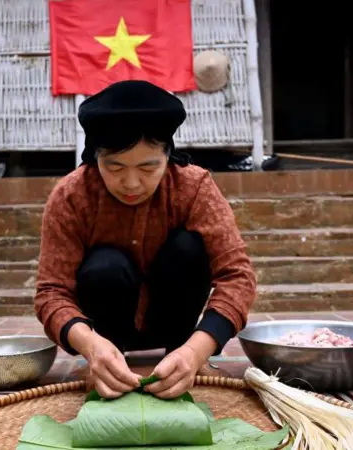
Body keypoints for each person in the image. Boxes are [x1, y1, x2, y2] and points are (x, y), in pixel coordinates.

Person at [33, 80, 256, 400]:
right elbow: (51, 292)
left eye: (148, 166)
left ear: (168, 156)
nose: (132, 182)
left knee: (188, 248)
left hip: (176, 328)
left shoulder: (194, 187)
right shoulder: (72, 195)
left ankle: (178, 355)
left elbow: (237, 276)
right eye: (115, 166)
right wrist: (88, 344)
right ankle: (108, 359)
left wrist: (197, 350)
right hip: (104, 332)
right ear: (95, 158)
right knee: (105, 265)